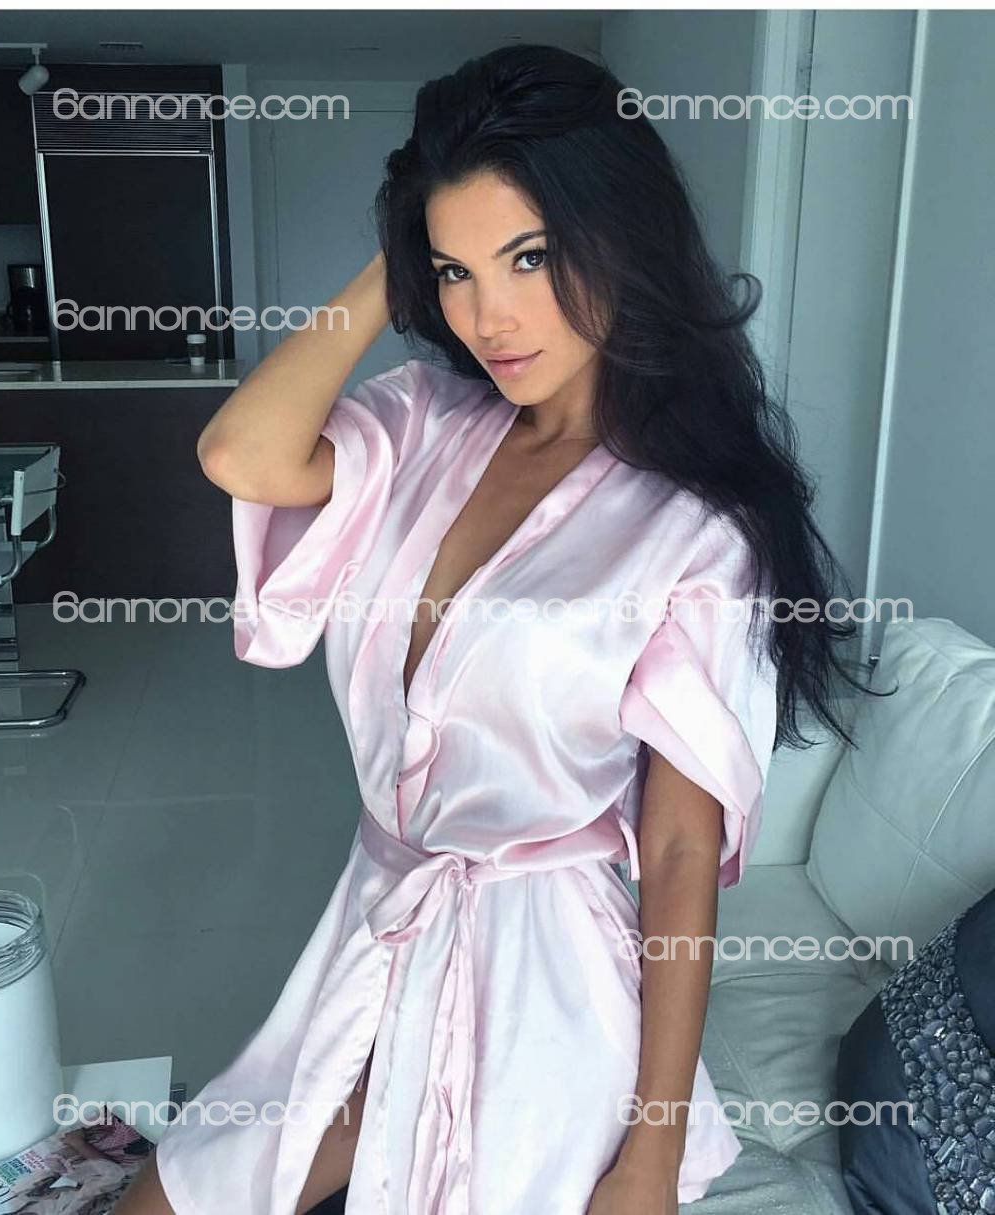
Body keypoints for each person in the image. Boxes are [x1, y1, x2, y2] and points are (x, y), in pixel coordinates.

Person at [114, 43, 883, 1215]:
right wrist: (401, 244)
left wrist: (652, 1155)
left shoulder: (695, 532)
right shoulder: (423, 421)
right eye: (454, 273)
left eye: (528, 257)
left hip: (544, 982)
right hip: (376, 920)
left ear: (618, 236)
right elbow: (242, 453)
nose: (489, 316)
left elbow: (680, 855)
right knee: (181, 1190)